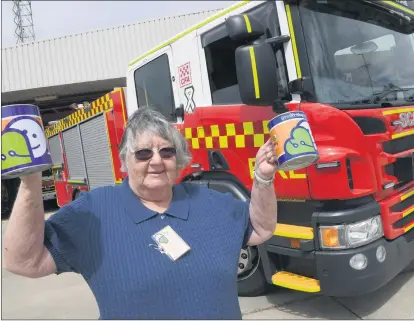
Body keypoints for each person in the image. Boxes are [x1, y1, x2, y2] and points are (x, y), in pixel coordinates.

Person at [3, 107, 278, 320]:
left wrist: (263, 179)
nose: (157, 160)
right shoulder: (93, 211)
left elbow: (261, 229)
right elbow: (24, 262)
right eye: (143, 153)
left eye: (167, 152)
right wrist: (30, 183)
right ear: (124, 160)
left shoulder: (210, 202)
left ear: (178, 160)